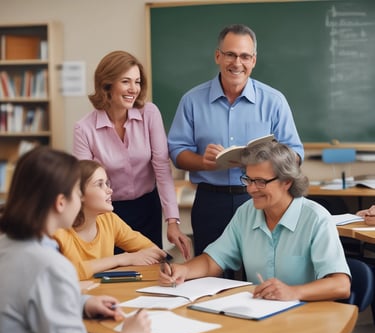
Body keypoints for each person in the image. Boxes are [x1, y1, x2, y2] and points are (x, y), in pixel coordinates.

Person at [160, 141, 350, 333]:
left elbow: (341, 284)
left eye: (260, 181)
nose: (250, 189)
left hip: (301, 329)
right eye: (248, 180)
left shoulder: (316, 218)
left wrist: (294, 292)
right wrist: (183, 270)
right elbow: (213, 260)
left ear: (287, 181)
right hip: (257, 323)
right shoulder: (247, 213)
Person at [0, 147, 150, 333]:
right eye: (76, 194)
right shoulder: (50, 267)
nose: (80, 201)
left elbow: (25, 301)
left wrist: (81, 303)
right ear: (61, 203)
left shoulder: (7, 244)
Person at [168, 24, 304, 257]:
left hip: (260, 198)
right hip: (210, 201)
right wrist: (203, 162)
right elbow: (177, 151)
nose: (237, 63)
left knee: (260, 269)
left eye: (245, 56)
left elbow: (295, 153)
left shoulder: (274, 101)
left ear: (254, 60)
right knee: (209, 274)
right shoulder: (192, 100)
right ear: (218, 56)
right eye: (230, 54)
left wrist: (266, 161)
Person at [73, 50, 191, 259]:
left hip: (148, 207)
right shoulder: (84, 129)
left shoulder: (150, 113)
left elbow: (162, 170)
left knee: (152, 270)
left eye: (137, 82)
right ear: (107, 84)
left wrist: (172, 221)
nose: (133, 89)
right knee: (115, 273)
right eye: (126, 81)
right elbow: (85, 183)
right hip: (107, 214)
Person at [53, 159, 167, 280]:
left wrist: (167, 266)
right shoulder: (58, 232)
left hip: (103, 294)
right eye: (99, 184)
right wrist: (122, 259)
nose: (110, 190)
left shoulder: (109, 220)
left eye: (107, 183)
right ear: (78, 193)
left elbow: (152, 250)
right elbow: (67, 273)